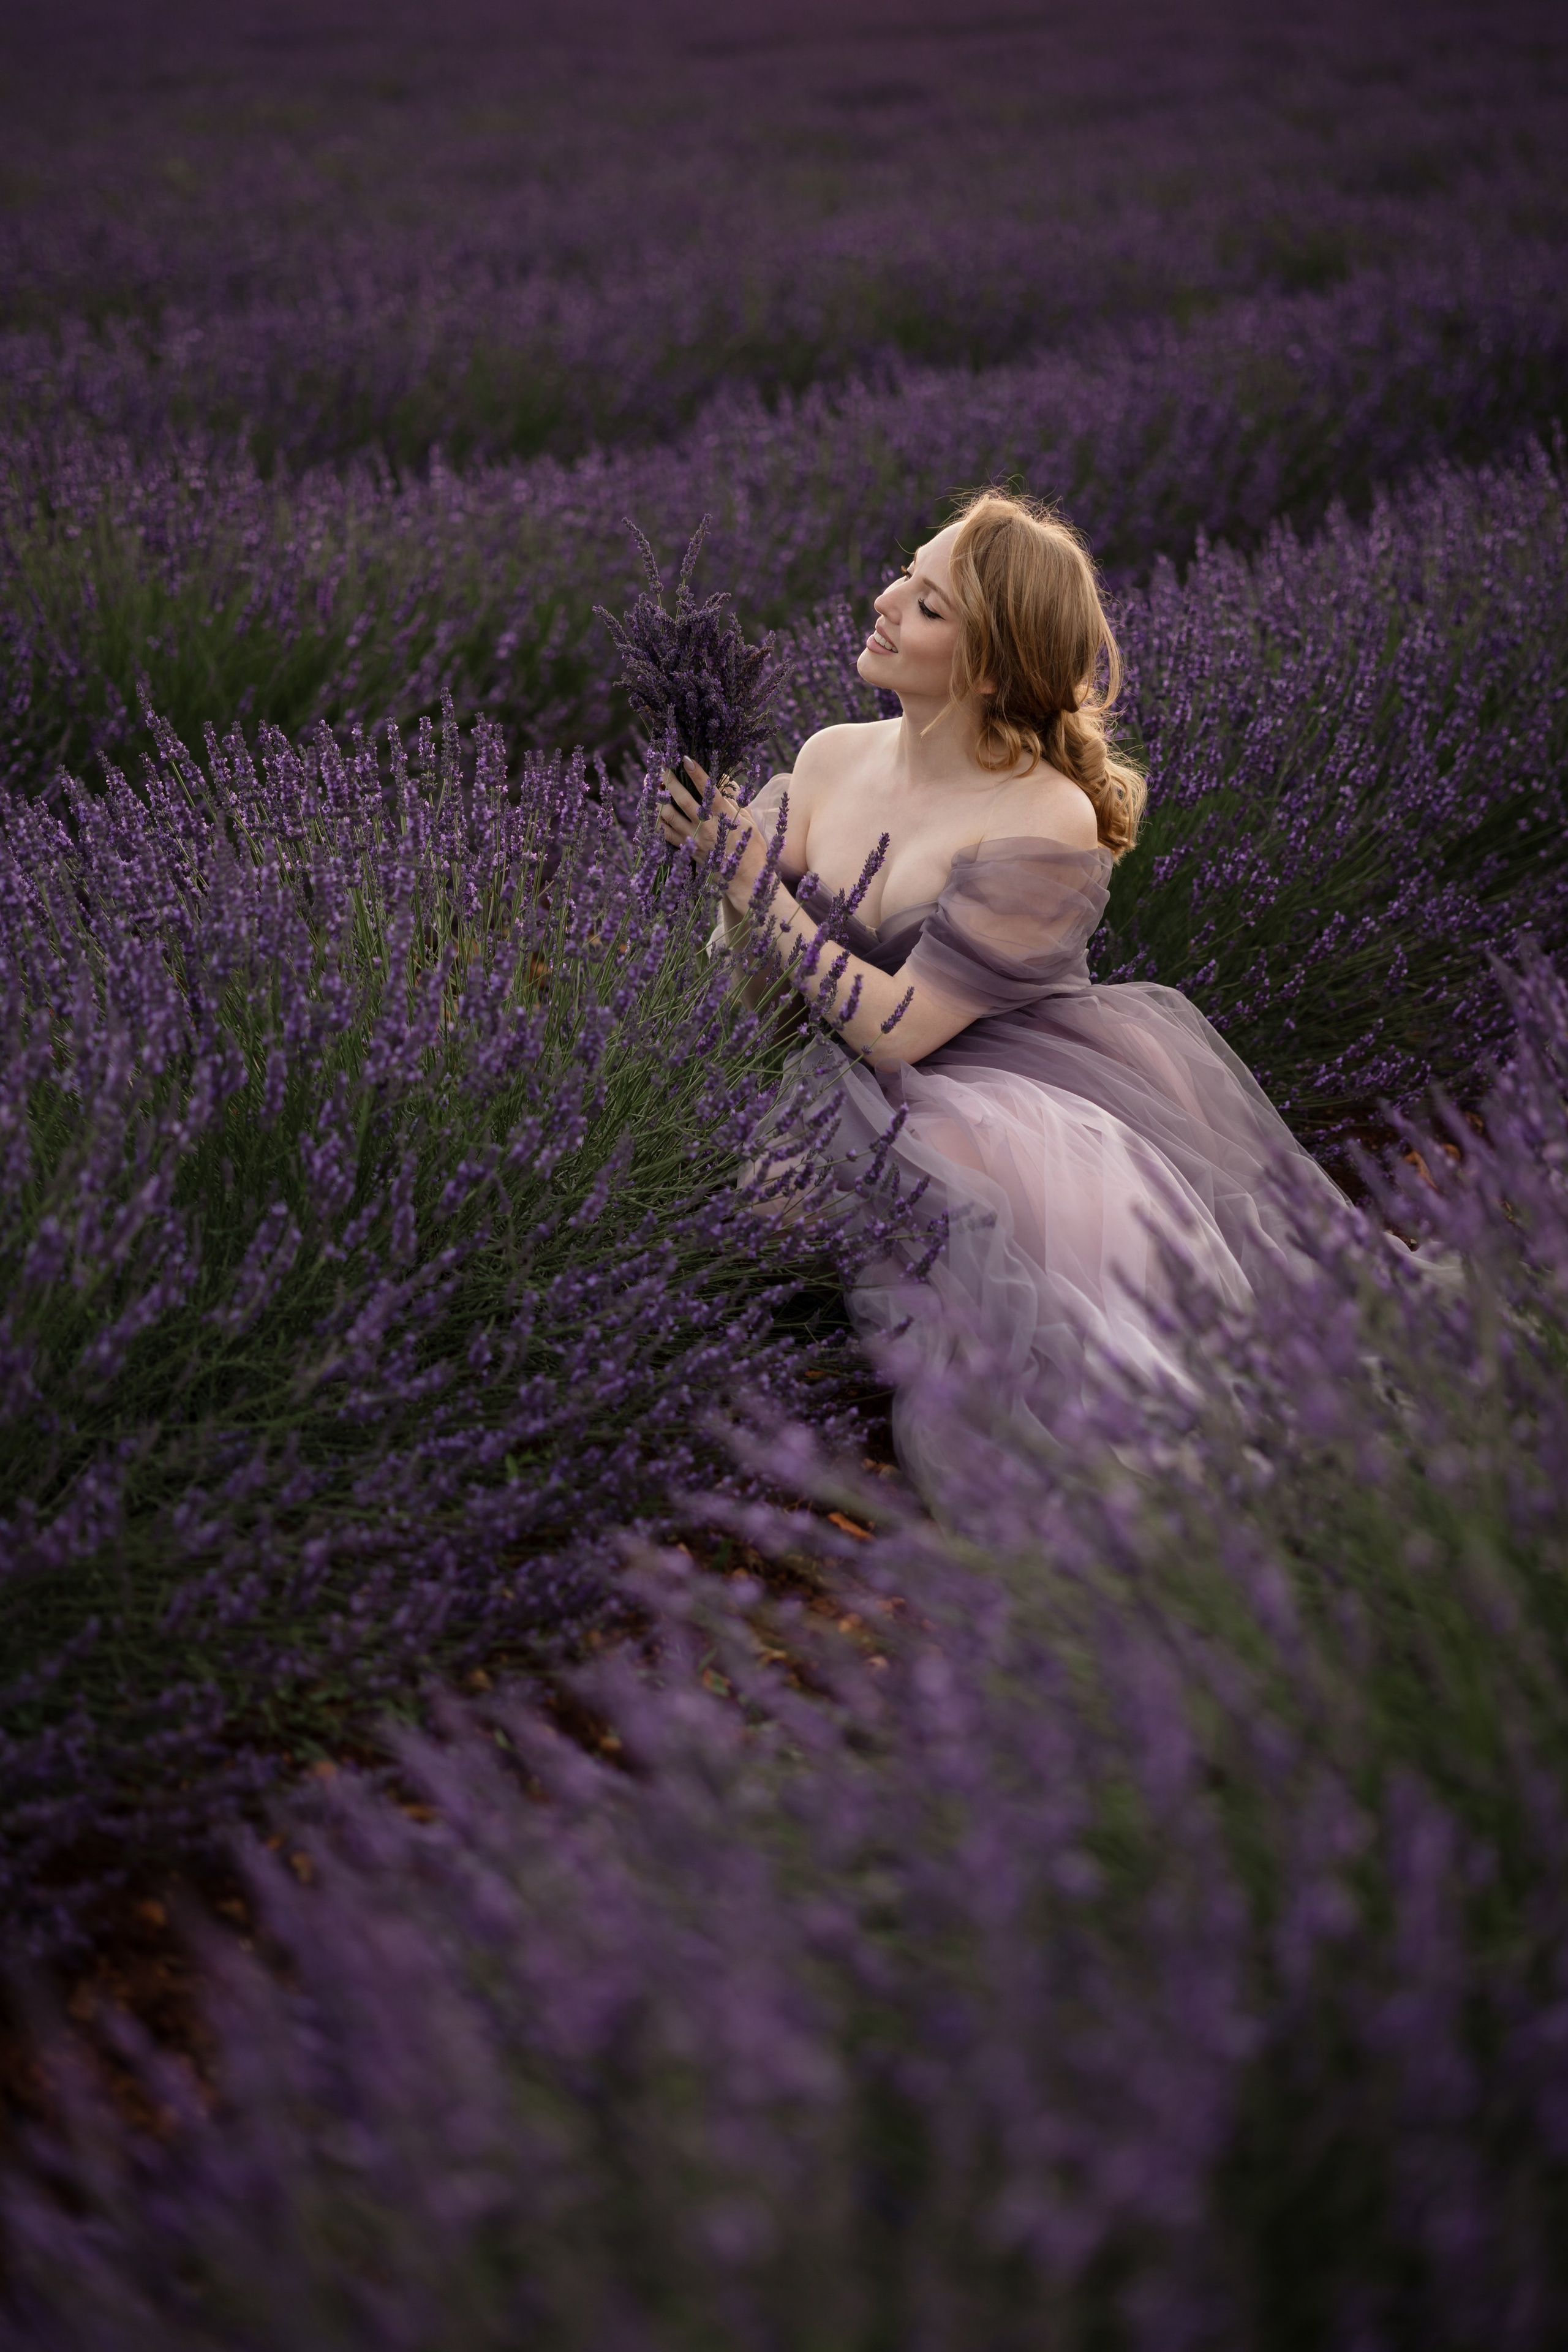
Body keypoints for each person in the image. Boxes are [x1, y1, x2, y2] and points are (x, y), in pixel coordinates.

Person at [657, 488, 1343, 1497]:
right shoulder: (830, 757)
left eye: (930, 605)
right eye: (907, 570)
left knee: (941, 1187)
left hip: (999, 1087)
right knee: (764, 1182)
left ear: (989, 666)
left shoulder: (1047, 815)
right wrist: (733, 886)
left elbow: (902, 1030)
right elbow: (762, 1000)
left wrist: (760, 884)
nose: (887, 601)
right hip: (832, 1067)